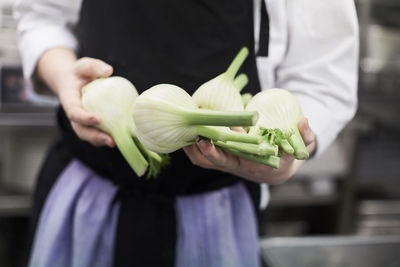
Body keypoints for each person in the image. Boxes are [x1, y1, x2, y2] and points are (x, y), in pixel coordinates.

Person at [14, 0, 358, 266]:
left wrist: (283, 161)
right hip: (86, 199)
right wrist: (65, 78)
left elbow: (322, 79)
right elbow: (42, 16)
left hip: (220, 214)